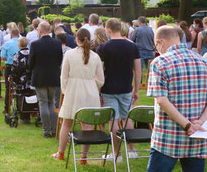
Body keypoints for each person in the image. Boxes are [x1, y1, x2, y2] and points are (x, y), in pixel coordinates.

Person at [146, 25, 207, 171]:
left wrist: (188, 125)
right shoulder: (204, 61)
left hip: (168, 137)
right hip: (198, 135)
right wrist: (201, 122)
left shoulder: (160, 62)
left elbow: (161, 100)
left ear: (160, 42)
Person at [52, 28, 105, 161]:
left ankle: (61, 153)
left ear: (77, 39)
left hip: (73, 91)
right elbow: (100, 80)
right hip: (90, 92)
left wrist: (66, 90)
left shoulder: (70, 54)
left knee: (67, 123)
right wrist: (93, 87)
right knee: (87, 125)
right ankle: (83, 156)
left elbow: (63, 76)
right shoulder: (95, 56)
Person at [97, 18, 141, 161]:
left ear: (108, 30)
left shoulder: (103, 47)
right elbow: (138, 71)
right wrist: (137, 89)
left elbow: (100, 70)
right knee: (126, 117)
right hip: (126, 87)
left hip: (109, 88)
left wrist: (98, 89)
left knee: (113, 121)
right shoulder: (132, 46)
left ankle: (117, 154)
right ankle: (132, 150)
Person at [28, 22, 63, 138]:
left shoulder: (35, 44)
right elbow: (59, 60)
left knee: (43, 102)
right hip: (53, 75)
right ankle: (54, 129)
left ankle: (46, 130)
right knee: (52, 102)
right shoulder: (57, 43)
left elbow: (30, 63)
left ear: (40, 30)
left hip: (39, 76)